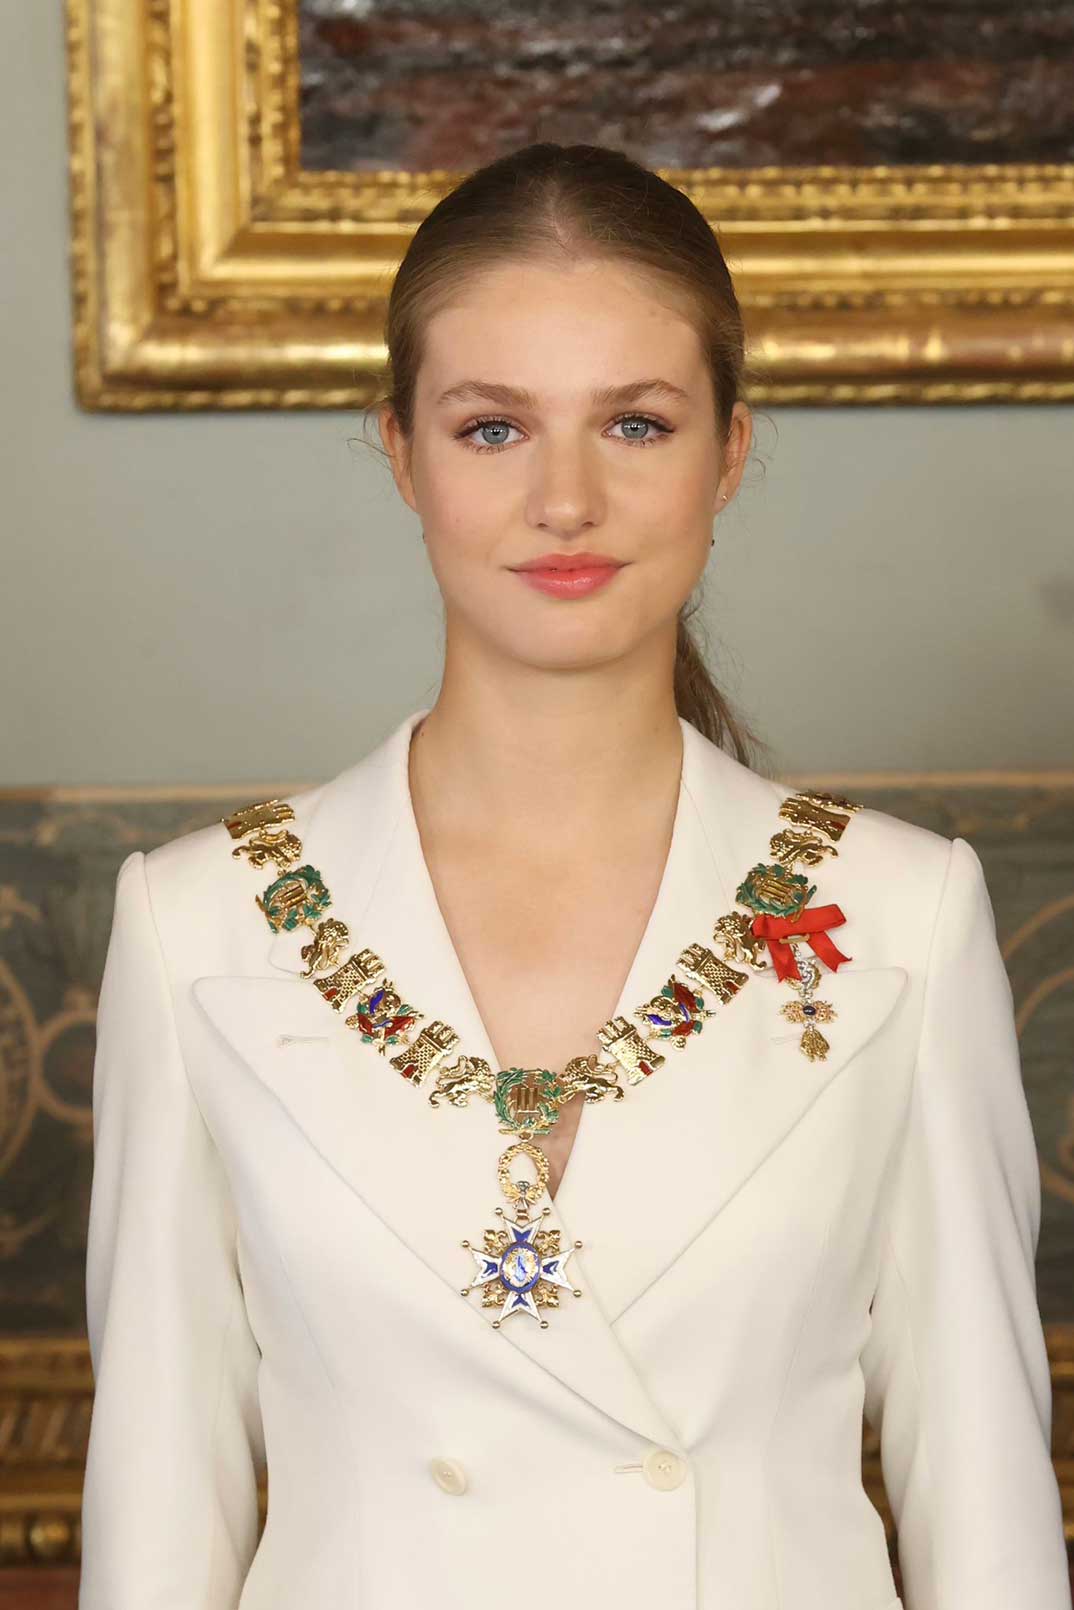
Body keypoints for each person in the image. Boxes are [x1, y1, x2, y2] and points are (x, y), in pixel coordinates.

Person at [78, 143, 1070, 1610]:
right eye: (491, 428)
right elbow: (160, 1518)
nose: (564, 499)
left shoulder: (898, 912)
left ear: (728, 451)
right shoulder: (197, 923)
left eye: (635, 422)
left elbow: (980, 1505)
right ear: (401, 449)